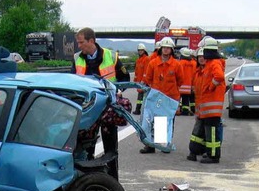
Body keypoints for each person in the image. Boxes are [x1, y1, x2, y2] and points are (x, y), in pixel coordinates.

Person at [71, 27, 129, 157]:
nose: (79, 46)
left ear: (91, 41)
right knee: (85, 149)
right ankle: (89, 175)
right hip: (87, 108)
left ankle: (111, 176)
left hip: (108, 106)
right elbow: (72, 81)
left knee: (110, 149)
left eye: (81, 42)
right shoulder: (77, 58)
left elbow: (124, 78)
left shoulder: (111, 56)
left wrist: (118, 91)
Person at [140, 37, 182, 153]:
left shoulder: (176, 65)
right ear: (161, 49)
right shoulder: (153, 63)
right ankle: (150, 145)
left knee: (165, 121)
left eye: (168, 48)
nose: (166, 50)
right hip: (155, 97)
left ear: (171, 50)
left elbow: (180, 80)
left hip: (169, 98)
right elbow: (148, 79)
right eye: (164, 48)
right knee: (149, 121)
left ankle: (163, 144)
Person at [187, 42, 226, 163]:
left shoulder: (214, 64)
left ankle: (213, 156)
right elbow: (199, 92)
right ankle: (198, 151)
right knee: (202, 132)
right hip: (204, 109)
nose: (202, 57)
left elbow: (219, 77)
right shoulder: (203, 69)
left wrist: (211, 87)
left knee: (212, 134)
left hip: (211, 108)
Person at [178, 47, 197, 115]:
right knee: (189, 99)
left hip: (181, 85)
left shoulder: (180, 63)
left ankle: (182, 111)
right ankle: (192, 110)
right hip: (190, 85)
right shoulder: (194, 63)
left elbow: (178, 74)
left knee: (179, 99)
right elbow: (195, 74)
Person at [133, 43, 150, 115]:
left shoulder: (146, 59)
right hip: (139, 82)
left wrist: (144, 80)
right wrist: (135, 80)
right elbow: (136, 72)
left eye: (141, 50)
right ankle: (139, 109)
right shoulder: (138, 60)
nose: (140, 52)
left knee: (142, 96)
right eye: (139, 50)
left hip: (144, 82)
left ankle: (138, 110)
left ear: (144, 51)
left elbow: (146, 71)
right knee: (140, 97)